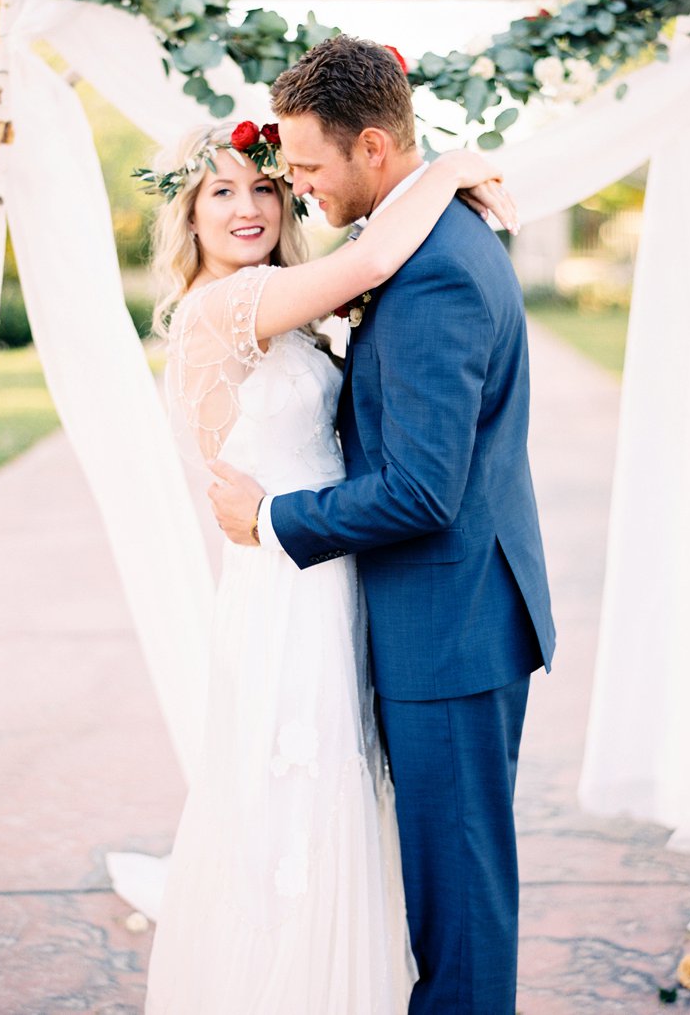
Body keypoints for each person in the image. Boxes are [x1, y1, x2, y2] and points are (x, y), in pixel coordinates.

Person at [210, 35, 556, 1015]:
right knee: (445, 892)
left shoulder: (435, 270)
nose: (299, 187)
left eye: (310, 167)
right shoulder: (422, 235)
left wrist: (273, 516)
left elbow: (421, 490)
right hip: (451, 616)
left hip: (449, 629)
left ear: (371, 148)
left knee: (459, 913)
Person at [141, 110, 516, 1014]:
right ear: (186, 215)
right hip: (286, 587)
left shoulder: (291, 303)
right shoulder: (221, 306)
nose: (247, 208)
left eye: (265, 186)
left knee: (341, 807)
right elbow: (371, 260)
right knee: (293, 809)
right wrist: (450, 164)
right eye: (220, 192)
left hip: (332, 574)